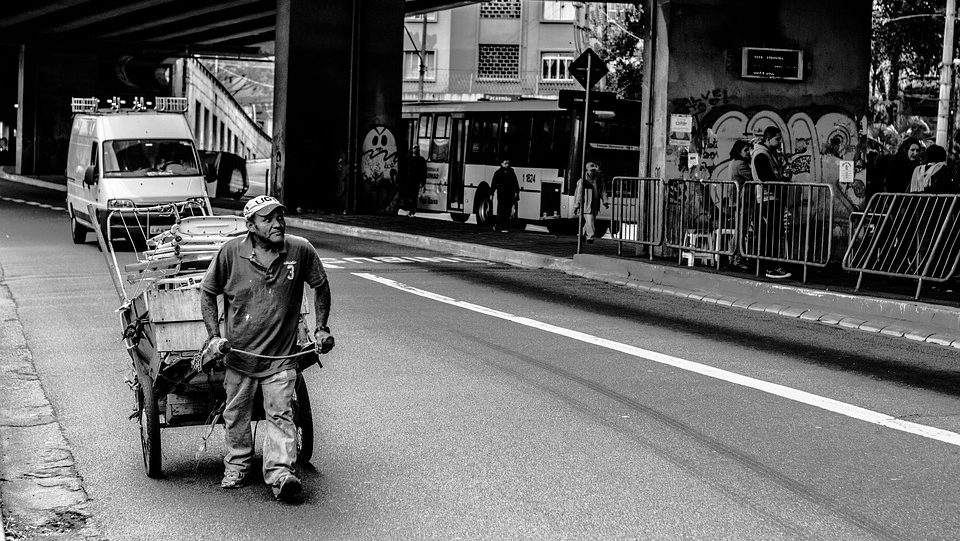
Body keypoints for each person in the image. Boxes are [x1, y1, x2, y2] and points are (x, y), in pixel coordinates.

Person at [200, 195, 334, 502]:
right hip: (240, 357)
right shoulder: (231, 253)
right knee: (236, 415)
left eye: (280, 217)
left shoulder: (299, 250)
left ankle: (280, 474)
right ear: (250, 226)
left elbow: (321, 285)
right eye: (268, 219)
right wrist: (213, 336)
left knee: (281, 414)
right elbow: (208, 292)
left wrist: (321, 327)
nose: (278, 224)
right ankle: (237, 464)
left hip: (280, 358)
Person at [751, 126, 793, 279]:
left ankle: (771, 264)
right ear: (768, 139)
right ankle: (770, 266)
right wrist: (780, 183)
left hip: (771, 197)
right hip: (767, 198)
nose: (779, 141)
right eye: (777, 139)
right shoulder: (761, 155)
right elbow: (766, 177)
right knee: (772, 233)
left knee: (774, 232)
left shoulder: (768, 153)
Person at [574, 162, 608, 243]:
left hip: (595, 205)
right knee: (590, 220)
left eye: (594, 170)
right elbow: (579, 193)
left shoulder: (599, 180)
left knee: (590, 221)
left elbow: (603, 191)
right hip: (586, 205)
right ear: (587, 170)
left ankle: (581, 235)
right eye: (591, 170)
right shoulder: (582, 181)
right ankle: (590, 237)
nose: (593, 172)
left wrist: (605, 201)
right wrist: (577, 205)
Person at [490, 158, 520, 232]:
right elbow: (493, 184)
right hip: (501, 194)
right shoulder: (498, 172)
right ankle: (498, 225)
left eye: (508, 163)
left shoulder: (511, 171)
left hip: (509, 194)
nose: (507, 165)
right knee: (501, 210)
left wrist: (516, 191)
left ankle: (505, 227)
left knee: (507, 211)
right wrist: (492, 193)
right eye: (505, 163)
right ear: (501, 164)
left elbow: (515, 182)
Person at [402, 145, 427, 216]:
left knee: (414, 197)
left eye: (417, 148)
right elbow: (404, 170)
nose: (415, 150)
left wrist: (423, 182)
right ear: (412, 150)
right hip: (408, 181)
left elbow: (424, 172)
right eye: (414, 148)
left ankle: (412, 211)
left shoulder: (421, 160)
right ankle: (408, 210)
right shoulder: (407, 158)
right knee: (407, 196)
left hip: (415, 181)